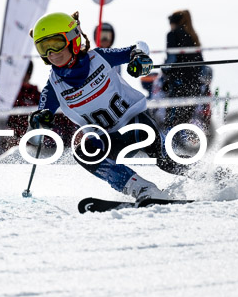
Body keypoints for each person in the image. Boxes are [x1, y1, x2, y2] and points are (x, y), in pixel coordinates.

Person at [29, 12, 188, 202]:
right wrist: (39, 120)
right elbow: (40, 115)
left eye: (55, 43)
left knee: (167, 162)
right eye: (43, 47)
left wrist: (139, 57)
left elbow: (138, 47)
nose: (51, 53)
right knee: (84, 154)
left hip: (135, 125)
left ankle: (209, 175)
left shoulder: (99, 58)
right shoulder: (54, 87)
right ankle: (141, 188)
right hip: (107, 140)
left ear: (72, 39)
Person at [162, 10, 204, 130]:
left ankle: (169, 146)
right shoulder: (193, 36)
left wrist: (164, 70)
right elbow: (201, 64)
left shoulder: (173, 34)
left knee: (172, 122)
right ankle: (183, 147)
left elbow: (172, 59)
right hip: (194, 86)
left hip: (179, 85)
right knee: (185, 122)